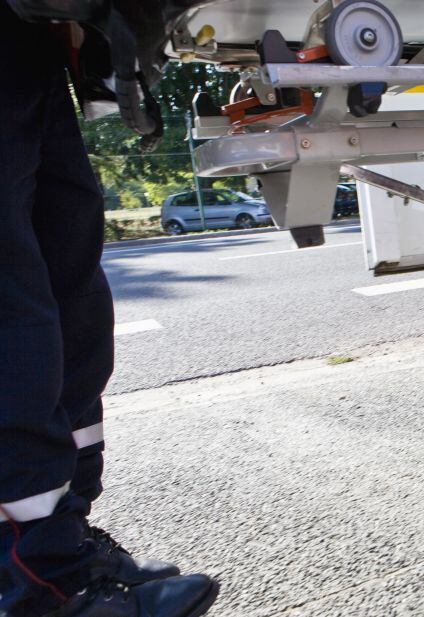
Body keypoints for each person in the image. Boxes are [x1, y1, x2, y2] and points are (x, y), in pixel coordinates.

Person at [0, 5, 218, 616]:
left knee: (70, 288)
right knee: (12, 313)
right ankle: (38, 581)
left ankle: (63, 536)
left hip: (27, 34)